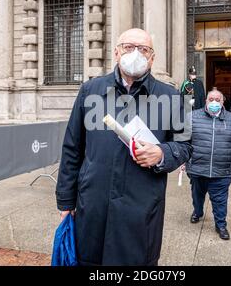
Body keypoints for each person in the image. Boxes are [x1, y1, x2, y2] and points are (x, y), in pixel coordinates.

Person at [56, 28, 192, 266]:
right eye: (129, 47)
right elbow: (72, 148)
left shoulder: (170, 96)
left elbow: (186, 145)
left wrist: (162, 153)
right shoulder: (90, 91)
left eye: (144, 49)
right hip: (93, 206)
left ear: (152, 58)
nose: (136, 53)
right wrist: (66, 201)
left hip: (141, 210)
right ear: (117, 53)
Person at [185, 90, 231, 240]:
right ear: (206, 100)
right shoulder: (193, 117)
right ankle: (197, 212)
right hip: (198, 166)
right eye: (211, 99)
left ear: (223, 102)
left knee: (220, 199)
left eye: (217, 99)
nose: (214, 102)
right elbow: (184, 142)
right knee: (197, 195)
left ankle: (221, 225)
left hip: (222, 168)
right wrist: (181, 161)